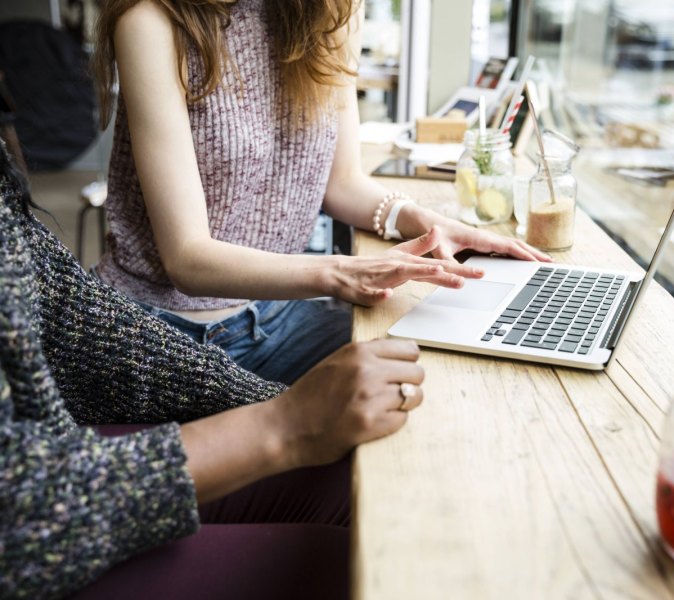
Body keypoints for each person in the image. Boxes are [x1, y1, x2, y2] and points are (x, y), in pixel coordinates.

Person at [0, 140, 423, 599]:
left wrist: (272, 402)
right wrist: (285, 423)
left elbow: (70, 315)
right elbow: (18, 509)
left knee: (360, 481)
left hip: (53, 452)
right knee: (348, 562)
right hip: (34, 521)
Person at [91, 0, 550, 384]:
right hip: (162, 335)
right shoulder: (150, 19)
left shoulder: (330, 10)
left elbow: (342, 182)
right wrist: (343, 273)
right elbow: (187, 259)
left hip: (276, 315)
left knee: (448, 366)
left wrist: (425, 222)